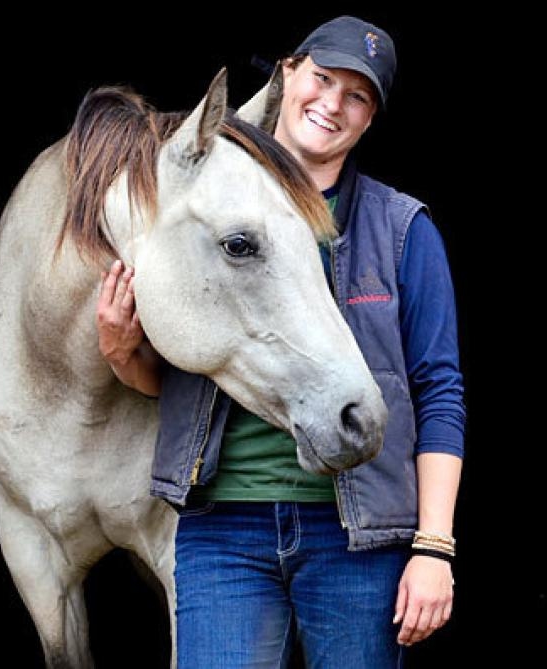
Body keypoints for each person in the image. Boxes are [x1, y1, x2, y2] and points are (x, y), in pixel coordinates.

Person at [96, 15, 464, 667]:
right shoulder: (206, 215)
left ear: (371, 120)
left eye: (358, 96)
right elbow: (186, 376)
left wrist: (434, 547)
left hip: (356, 538)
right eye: (322, 79)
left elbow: (438, 393)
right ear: (286, 75)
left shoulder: (402, 229)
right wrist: (126, 353)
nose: (333, 104)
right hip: (222, 532)